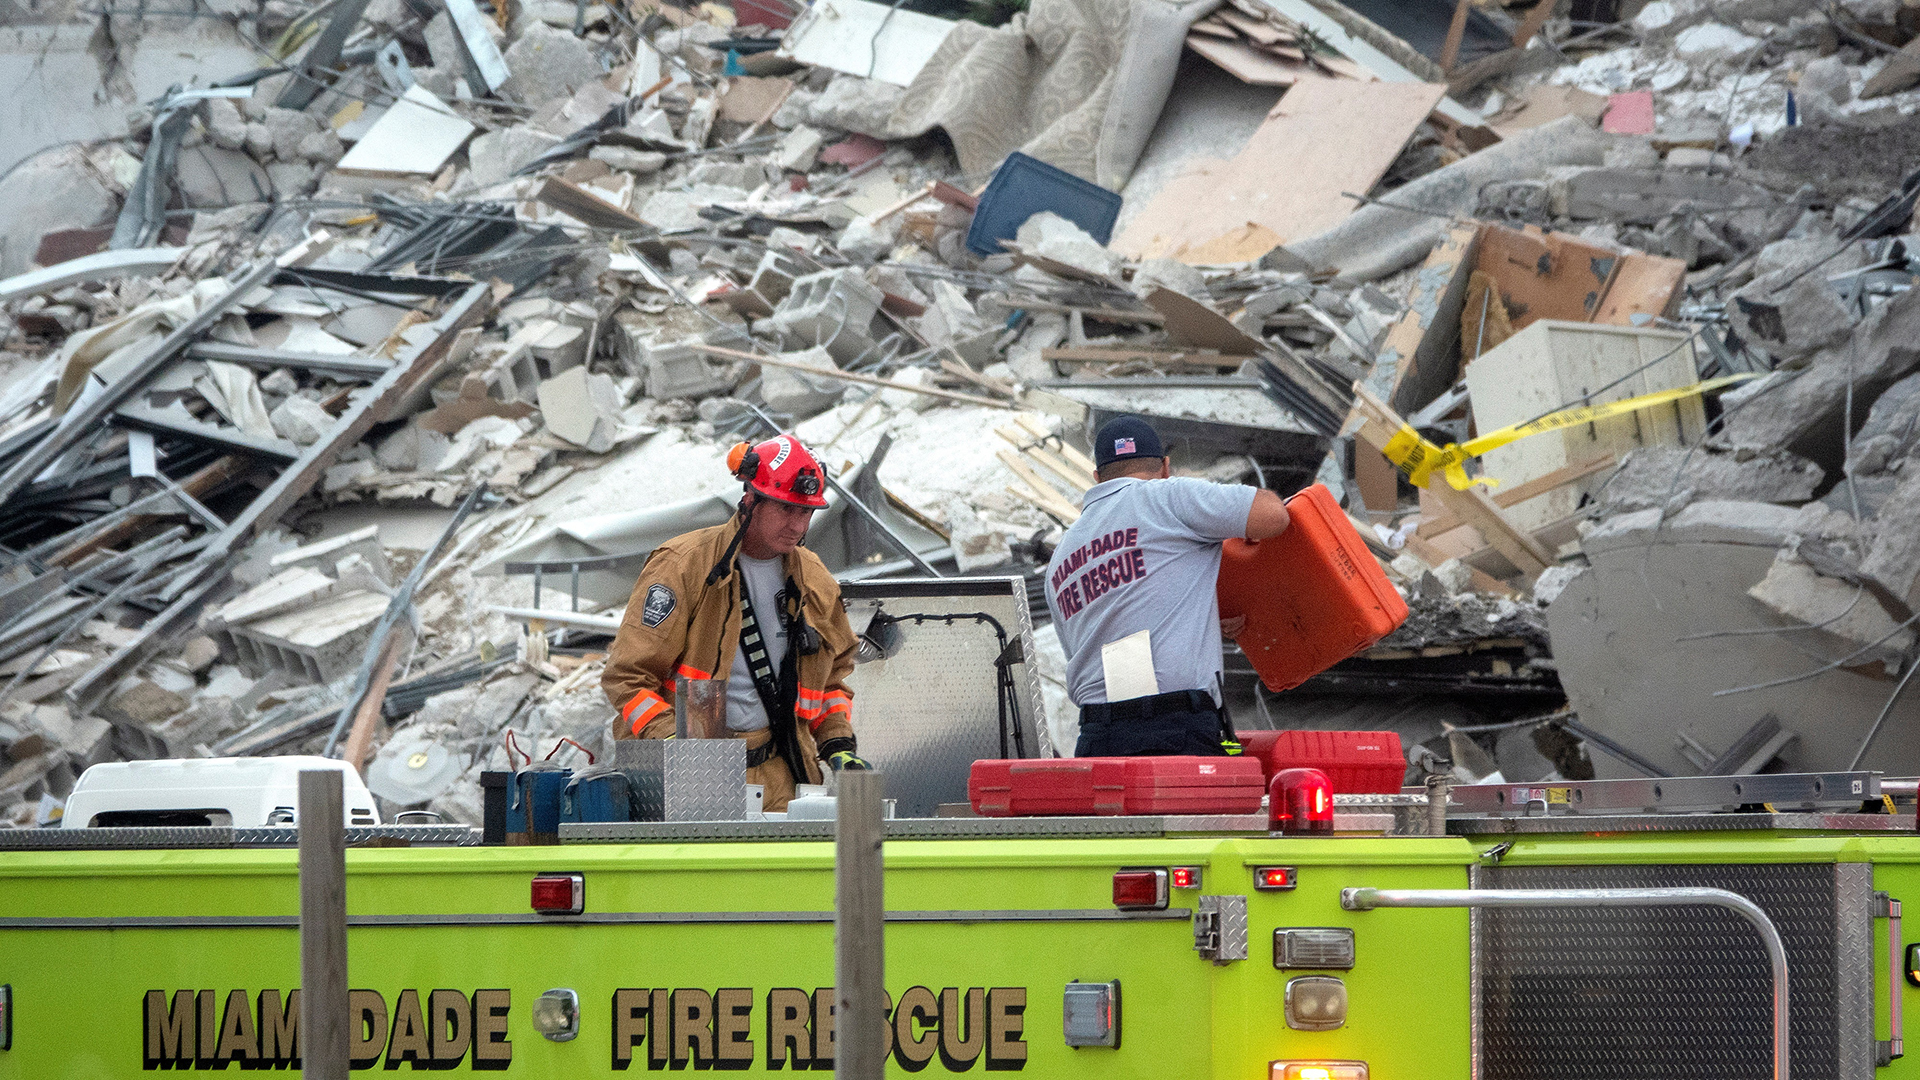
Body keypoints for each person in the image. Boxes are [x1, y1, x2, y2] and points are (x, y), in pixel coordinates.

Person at [602, 434, 870, 811]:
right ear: (750, 500)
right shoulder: (683, 565)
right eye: (785, 509)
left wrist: (837, 742)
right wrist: (672, 741)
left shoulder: (815, 579)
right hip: (687, 779)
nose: (797, 524)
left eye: (806, 512)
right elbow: (627, 679)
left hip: (783, 775)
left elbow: (830, 681)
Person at [1043, 415, 1291, 757]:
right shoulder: (1166, 496)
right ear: (1165, 467)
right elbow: (1273, 515)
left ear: (1098, 477)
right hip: (1177, 729)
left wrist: (1199, 623)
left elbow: (1111, 634)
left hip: (1097, 739)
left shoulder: (1062, 557)